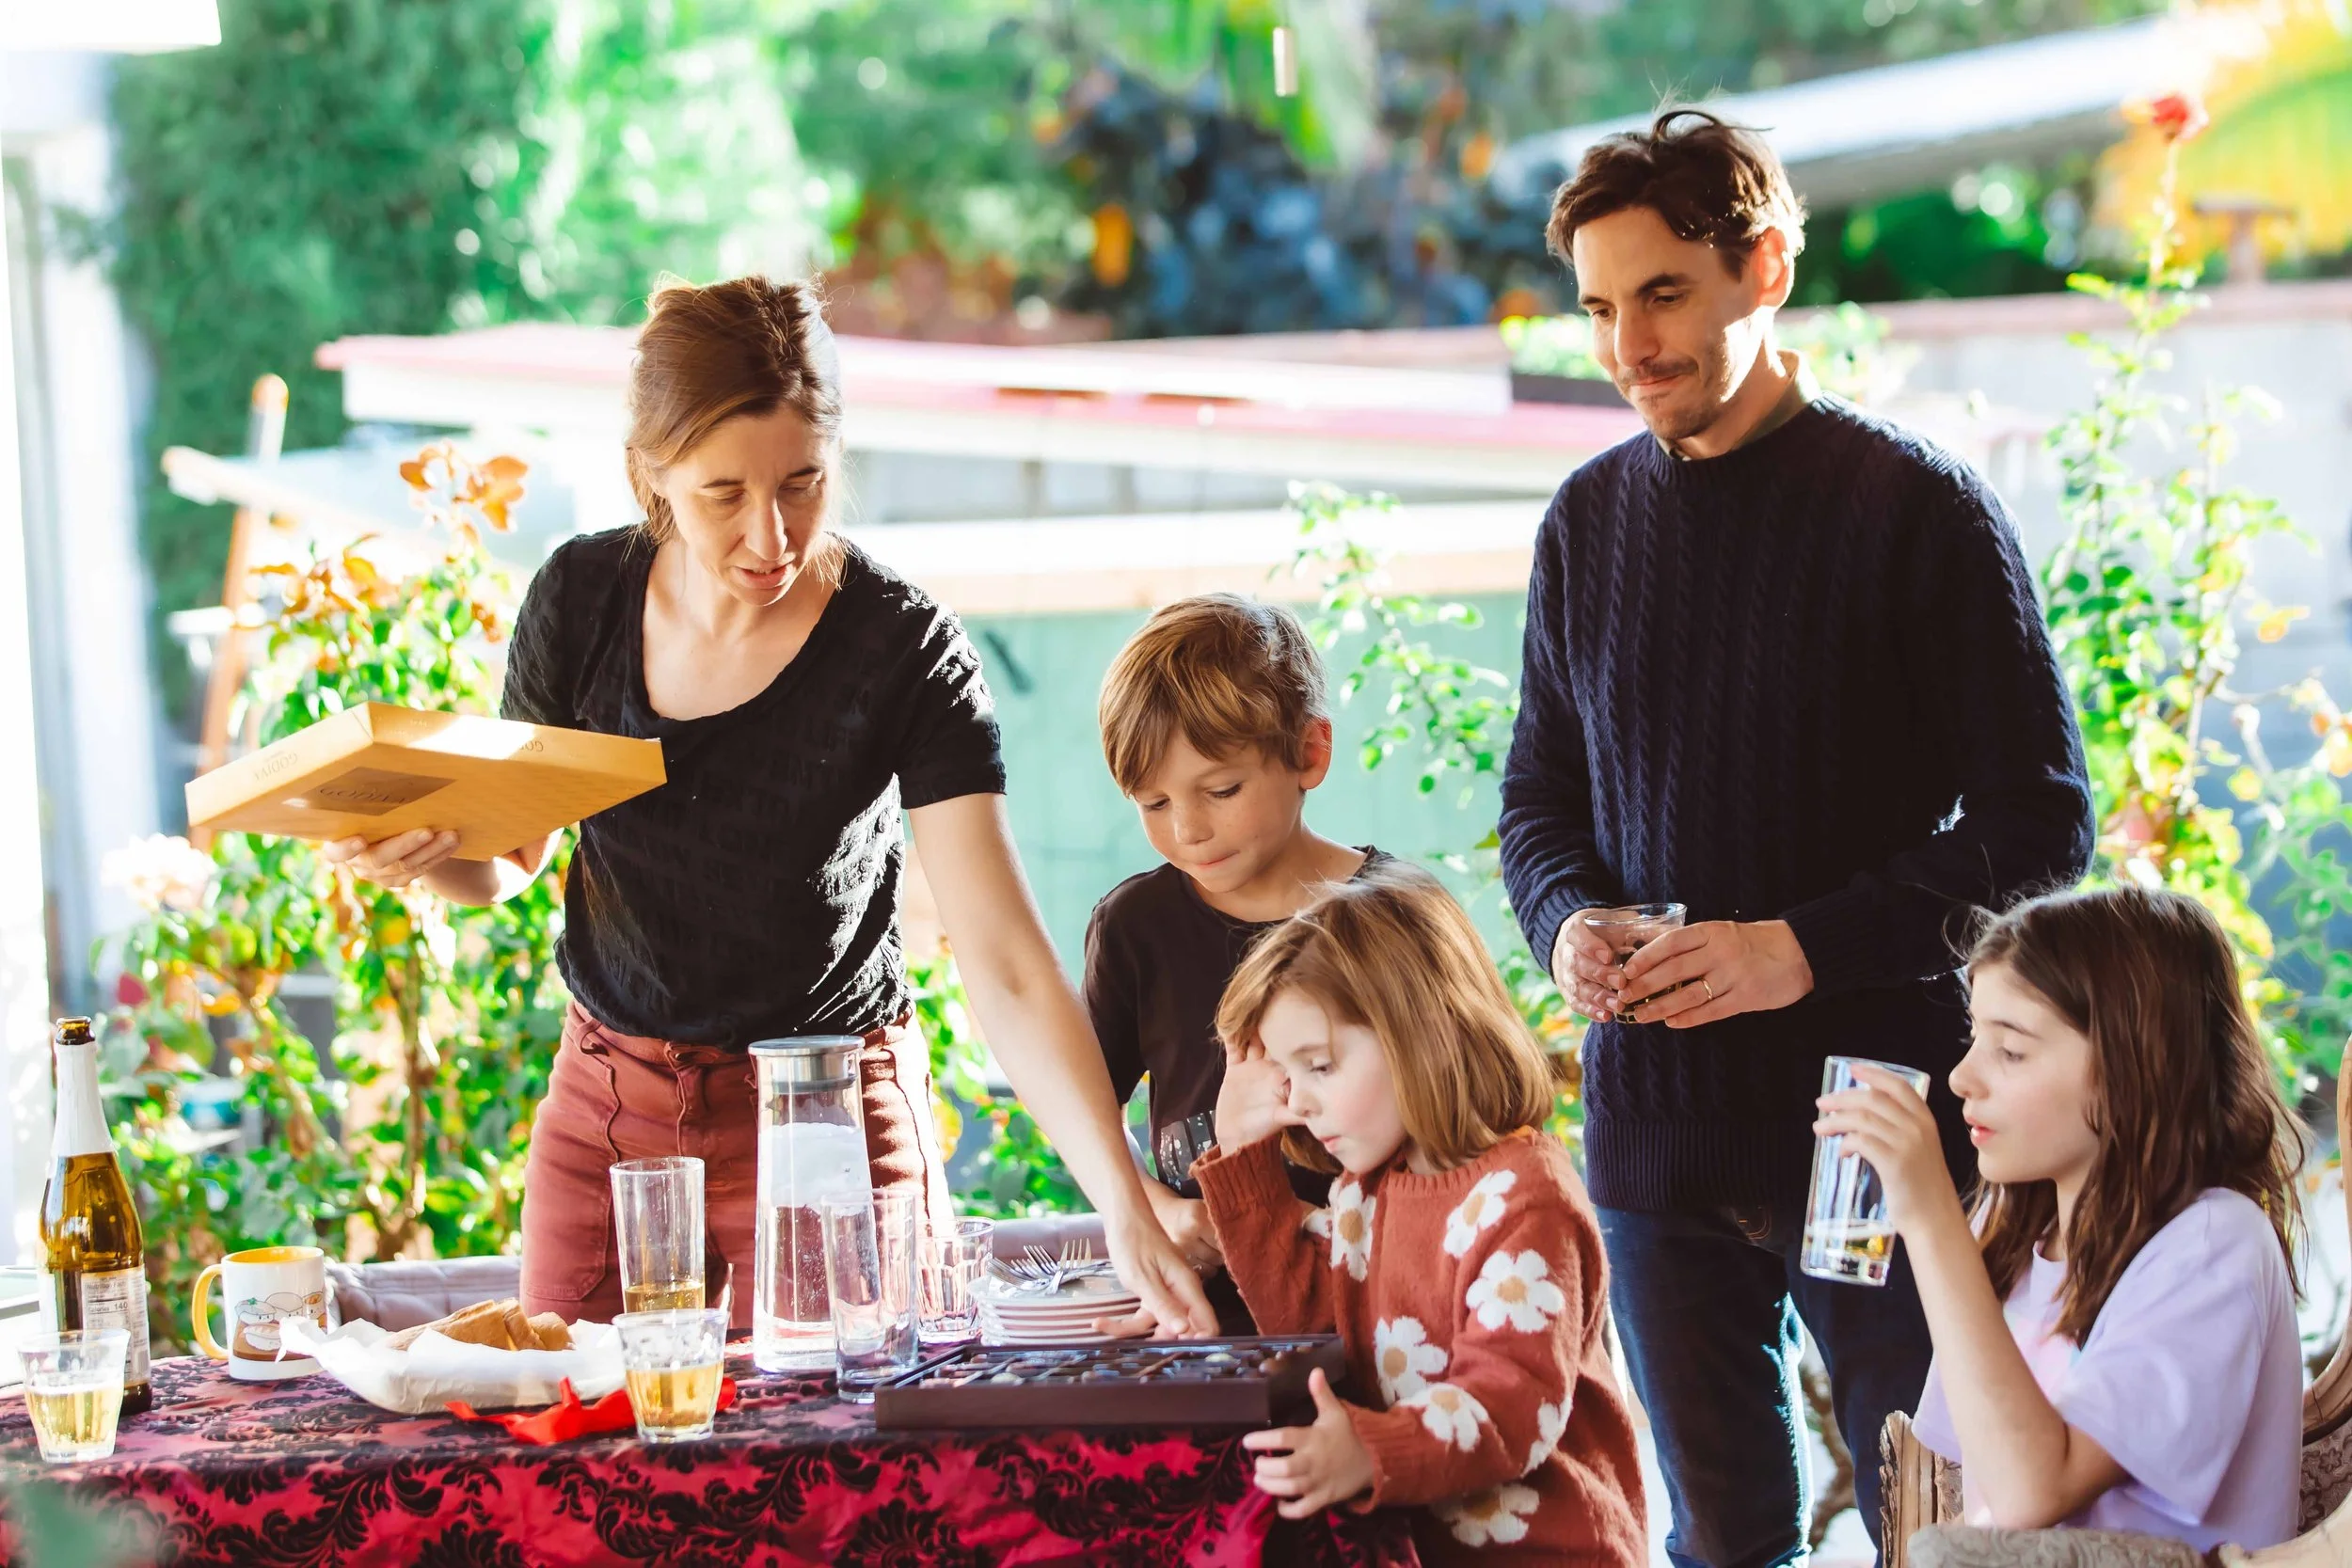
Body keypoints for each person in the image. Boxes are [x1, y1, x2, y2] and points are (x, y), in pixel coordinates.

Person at [319, 275, 1214, 1336]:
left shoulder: (905, 649)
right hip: (609, 1109)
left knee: (849, 1473)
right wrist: (423, 852)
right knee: (571, 1463)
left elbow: (1007, 961)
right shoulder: (578, 600)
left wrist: (1122, 1198)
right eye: (722, 494)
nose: (772, 535)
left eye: (803, 483)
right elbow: (509, 856)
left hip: (827, 1119)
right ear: (650, 473)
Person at [1496, 106, 2096, 1563]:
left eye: (1663, 294)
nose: (1630, 346)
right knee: (1719, 1532)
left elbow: (2043, 820)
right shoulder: (1584, 524)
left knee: (1933, 1506)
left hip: (1877, 1130)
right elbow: (1538, 808)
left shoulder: (1920, 512)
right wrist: (1566, 919)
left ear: (1761, 265)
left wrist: (1800, 952)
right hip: (1655, 1129)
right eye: (1597, 308)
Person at [1816, 887, 2304, 1550]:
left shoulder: (2215, 1241)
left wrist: (1932, 1220)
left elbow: (2029, 1493)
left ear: (2134, 1065)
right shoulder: (2026, 1235)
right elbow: (1967, 1483)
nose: (1961, 1076)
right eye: (1973, 1036)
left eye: (2010, 1049)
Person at [1194, 861, 1646, 1566]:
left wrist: (1369, 1450)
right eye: (1289, 1073)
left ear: (1419, 1032)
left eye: (1319, 1065)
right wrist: (1243, 1155)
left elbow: (1508, 1402)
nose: (1300, 1103)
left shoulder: (1525, 1197)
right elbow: (1311, 1334)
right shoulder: (1364, 1187)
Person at [1084, 594, 1386, 1329]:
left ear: (1309, 753)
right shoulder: (1135, 927)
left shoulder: (1392, 918)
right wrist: (1156, 1210)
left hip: (1381, 1310)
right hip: (1206, 1312)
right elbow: (1082, 1111)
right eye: (1152, 802)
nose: (1187, 829)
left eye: (1220, 790)